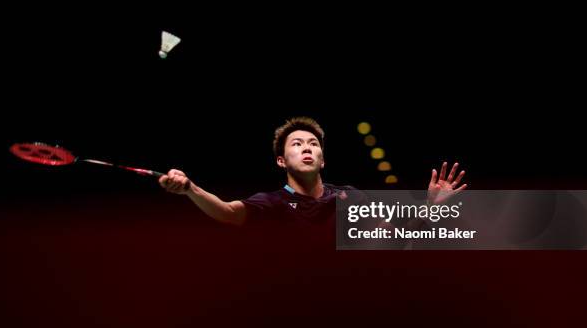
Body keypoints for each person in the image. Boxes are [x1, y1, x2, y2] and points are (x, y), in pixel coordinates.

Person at [158, 116, 467, 227]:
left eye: (313, 144)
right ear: (281, 161)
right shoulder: (272, 203)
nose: (306, 148)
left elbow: (394, 232)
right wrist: (190, 189)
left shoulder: (350, 197)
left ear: (322, 159)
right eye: (296, 144)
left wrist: (432, 208)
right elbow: (227, 212)